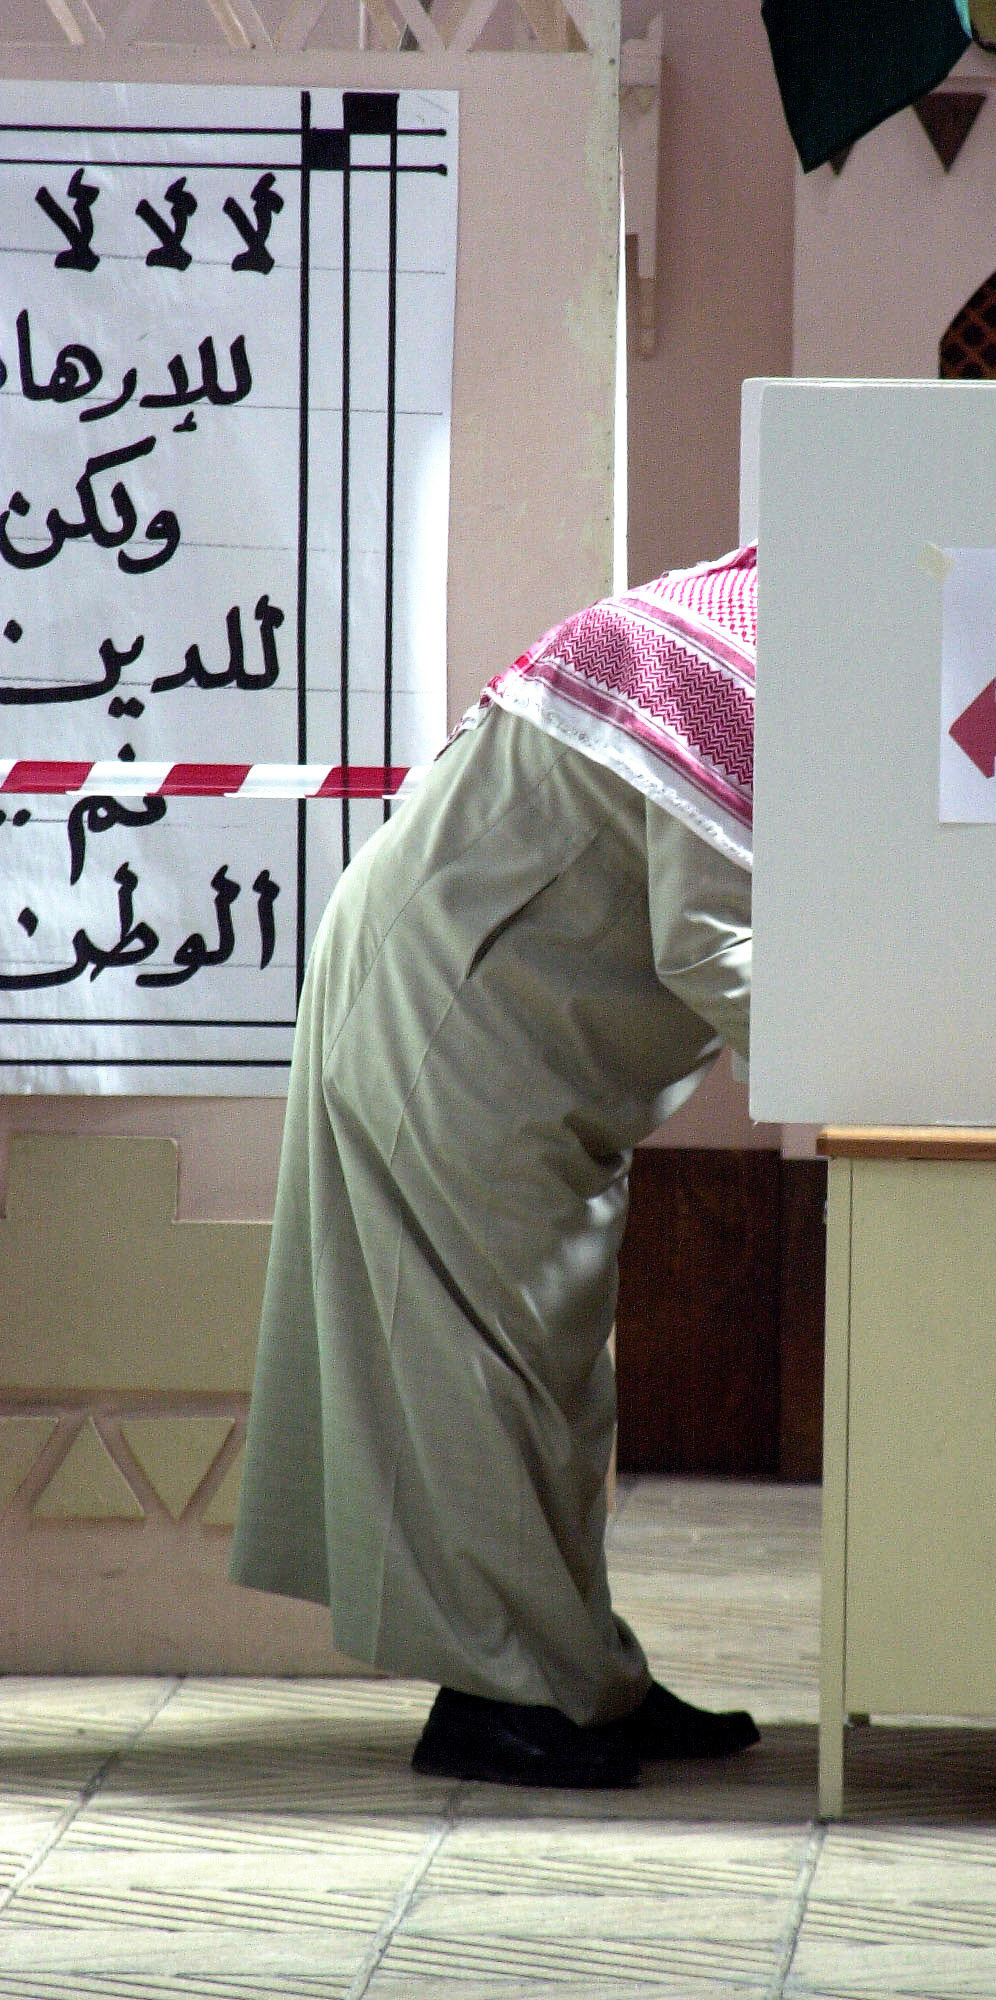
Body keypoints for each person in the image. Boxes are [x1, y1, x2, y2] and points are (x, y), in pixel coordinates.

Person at [230, 545, 760, 1788]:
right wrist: (879, 1084)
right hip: (455, 1022)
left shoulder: (723, 626)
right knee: (476, 1370)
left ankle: (582, 1679)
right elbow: (711, 939)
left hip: (524, 1038)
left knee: (548, 1375)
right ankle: (499, 1699)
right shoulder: (735, 668)